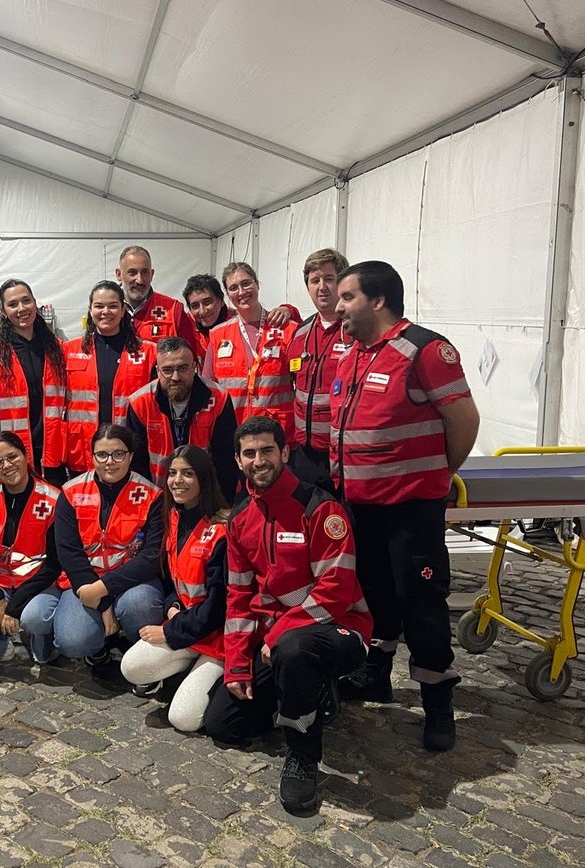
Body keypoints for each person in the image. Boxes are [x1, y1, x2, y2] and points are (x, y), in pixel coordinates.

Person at [330, 260, 480, 752]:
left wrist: (436, 474)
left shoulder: (424, 350)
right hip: (361, 506)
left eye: (347, 297)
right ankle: (377, 675)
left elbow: (463, 418)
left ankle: (439, 706)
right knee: (374, 596)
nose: (338, 306)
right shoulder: (353, 352)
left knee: (422, 607)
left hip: (410, 511)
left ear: (377, 300)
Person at [203, 417, 371, 815]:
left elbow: (336, 591)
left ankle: (303, 757)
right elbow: (239, 598)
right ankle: (306, 694)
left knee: (295, 650)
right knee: (223, 725)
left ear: (285, 453)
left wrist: (279, 633)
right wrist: (238, 667)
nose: (259, 460)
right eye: (250, 453)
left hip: (341, 630)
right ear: (238, 460)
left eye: (266, 450)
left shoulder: (322, 508)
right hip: (278, 643)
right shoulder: (241, 520)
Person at [120, 445, 228, 732]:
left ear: (204, 479)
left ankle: (213, 679)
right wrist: (173, 604)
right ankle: (185, 672)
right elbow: (172, 580)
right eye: (172, 473)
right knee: (130, 668)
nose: (177, 481)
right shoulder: (173, 517)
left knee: (183, 720)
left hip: (218, 637)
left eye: (187, 474)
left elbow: (220, 607)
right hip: (186, 625)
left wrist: (168, 631)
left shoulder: (222, 530)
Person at [51, 424, 164, 667]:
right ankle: (99, 647)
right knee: (72, 640)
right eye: (101, 454)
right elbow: (68, 552)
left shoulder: (152, 495)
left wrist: (103, 588)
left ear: (131, 456)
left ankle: (142, 659)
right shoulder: (70, 493)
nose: (109, 462)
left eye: (118, 454)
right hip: (85, 581)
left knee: (140, 606)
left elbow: (152, 557)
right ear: (92, 456)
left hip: (134, 580)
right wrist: (102, 602)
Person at [0, 432, 63, 664]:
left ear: (26, 456)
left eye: (13, 457)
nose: (7, 465)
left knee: (35, 618)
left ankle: (42, 638)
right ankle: (0, 645)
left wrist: (14, 606)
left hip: (39, 582)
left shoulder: (54, 500)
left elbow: (57, 563)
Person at [121, 336, 239, 502]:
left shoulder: (218, 398)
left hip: (206, 498)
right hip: (158, 498)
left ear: (194, 367)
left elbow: (226, 462)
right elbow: (137, 465)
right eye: (168, 370)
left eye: (183, 368)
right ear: (157, 370)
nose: (175, 377)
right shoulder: (140, 402)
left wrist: (220, 505)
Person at [62, 281, 156, 476]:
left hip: (130, 451)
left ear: (123, 310)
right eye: (99, 306)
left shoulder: (148, 352)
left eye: (113, 306)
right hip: (83, 451)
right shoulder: (69, 351)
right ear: (90, 310)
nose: (106, 312)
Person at [0, 280, 69, 485]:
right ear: (3, 311)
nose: (21, 309)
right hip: (11, 456)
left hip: (53, 452)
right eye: (13, 304)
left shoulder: (57, 349)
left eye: (26, 301)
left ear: (35, 303)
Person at [286, 248, 351, 492]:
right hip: (304, 455)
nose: (321, 287)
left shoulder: (356, 332)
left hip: (343, 454)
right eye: (314, 281)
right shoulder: (300, 333)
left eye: (329, 279)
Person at [204, 263, 299, 426]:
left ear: (257, 284)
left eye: (246, 283)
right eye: (233, 288)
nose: (241, 292)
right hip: (234, 431)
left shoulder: (288, 330)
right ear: (227, 294)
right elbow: (208, 388)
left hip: (277, 433)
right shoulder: (218, 335)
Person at [115, 245, 204, 359]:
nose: (140, 280)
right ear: (119, 274)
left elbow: (190, 358)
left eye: (145, 272)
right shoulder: (106, 311)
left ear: (152, 274)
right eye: (132, 273)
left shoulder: (173, 310)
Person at [183, 274, 230, 344]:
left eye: (207, 302)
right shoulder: (185, 326)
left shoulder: (239, 324)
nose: (202, 311)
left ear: (221, 300)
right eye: (195, 306)